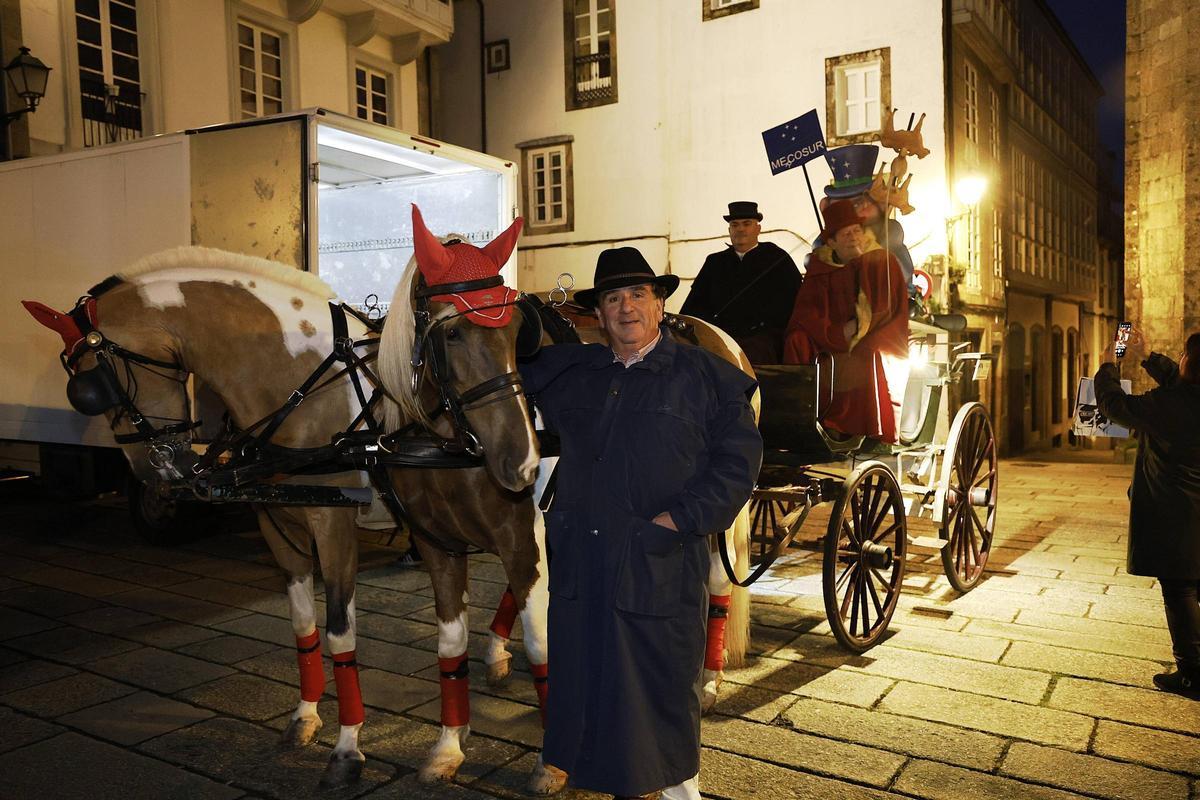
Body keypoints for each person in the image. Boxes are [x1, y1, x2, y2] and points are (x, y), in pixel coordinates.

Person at [520, 247, 763, 799]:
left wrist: (677, 520)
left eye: (638, 295)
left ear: (659, 306)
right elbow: (498, 366)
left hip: (658, 560)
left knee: (659, 685)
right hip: (585, 561)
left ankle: (681, 794)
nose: (626, 308)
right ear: (598, 316)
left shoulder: (706, 377)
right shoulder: (574, 374)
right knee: (589, 682)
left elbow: (737, 464)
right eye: (612, 298)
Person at [1094, 328, 1200, 699]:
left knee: (1179, 586)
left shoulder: (1167, 406)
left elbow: (1115, 406)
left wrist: (1108, 364)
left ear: (1190, 363)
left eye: (1185, 356)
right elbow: (1181, 382)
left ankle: (1191, 672)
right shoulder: (1186, 395)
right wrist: (1146, 356)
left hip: (1177, 510)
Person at [782, 199, 908, 442]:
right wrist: (837, 333)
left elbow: (888, 309)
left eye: (857, 231)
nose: (854, 237)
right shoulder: (821, 268)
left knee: (865, 351)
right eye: (846, 233)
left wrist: (860, 329)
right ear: (832, 242)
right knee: (796, 341)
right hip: (832, 339)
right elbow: (806, 315)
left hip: (877, 334)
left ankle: (861, 427)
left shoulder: (882, 262)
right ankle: (803, 418)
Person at [679, 201, 800, 364]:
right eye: (735, 225)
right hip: (719, 339)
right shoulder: (715, 262)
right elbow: (694, 306)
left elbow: (793, 305)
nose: (740, 229)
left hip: (762, 341)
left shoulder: (777, 259)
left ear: (758, 229)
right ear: (729, 231)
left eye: (747, 224)